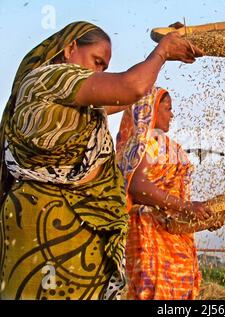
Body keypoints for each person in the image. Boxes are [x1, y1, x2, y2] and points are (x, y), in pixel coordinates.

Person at [0, 21, 203, 300]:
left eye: (104, 69)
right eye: (96, 62)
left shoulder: (76, 104)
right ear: (70, 48)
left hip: (77, 231)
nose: (98, 73)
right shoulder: (48, 79)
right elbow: (130, 88)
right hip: (47, 225)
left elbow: (129, 92)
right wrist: (162, 53)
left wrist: (163, 55)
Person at [116, 87, 222, 300]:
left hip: (174, 234)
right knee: (153, 291)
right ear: (150, 110)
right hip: (148, 231)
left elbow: (176, 200)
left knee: (178, 292)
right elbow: (138, 187)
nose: (172, 114)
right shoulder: (141, 145)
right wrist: (187, 208)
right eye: (167, 108)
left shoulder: (171, 148)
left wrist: (201, 217)